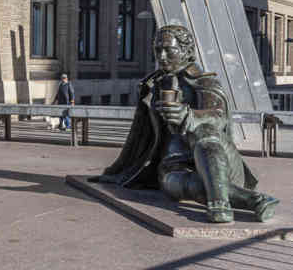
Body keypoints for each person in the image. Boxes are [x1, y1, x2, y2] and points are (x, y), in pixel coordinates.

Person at [93, 25, 277, 224]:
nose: (161, 56)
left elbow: (217, 116)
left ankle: (219, 205)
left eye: (168, 50)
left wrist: (187, 117)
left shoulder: (205, 82)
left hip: (219, 159)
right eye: (157, 50)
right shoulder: (153, 85)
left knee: (204, 131)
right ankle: (254, 201)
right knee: (185, 184)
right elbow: (140, 135)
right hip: (174, 167)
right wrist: (119, 170)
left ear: (186, 52)